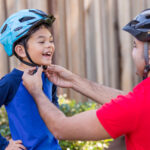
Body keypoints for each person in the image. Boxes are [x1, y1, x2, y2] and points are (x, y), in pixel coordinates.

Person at [22, 8, 150, 150]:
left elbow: (61, 128)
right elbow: (129, 104)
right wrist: (74, 81)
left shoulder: (139, 103)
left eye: (135, 46)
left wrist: (36, 91)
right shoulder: (140, 101)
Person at [0, 9, 62, 150]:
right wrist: (4, 145)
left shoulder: (48, 76)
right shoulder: (11, 82)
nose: (49, 45)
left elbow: (54, 105)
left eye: (51, 40)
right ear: (21, 51)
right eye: (41, 41)